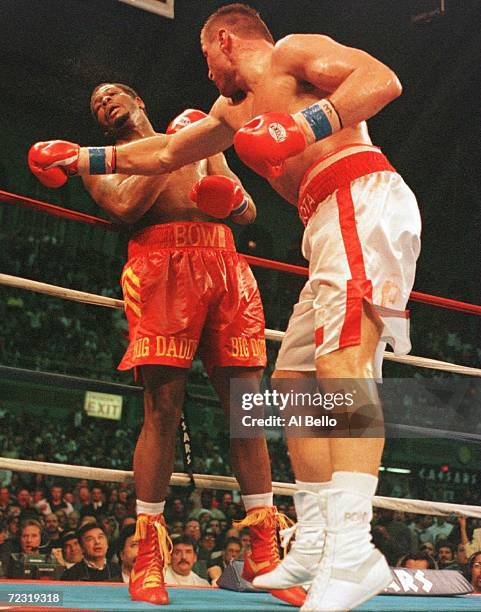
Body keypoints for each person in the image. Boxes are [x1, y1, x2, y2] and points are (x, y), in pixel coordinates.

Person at [28, 3, 422, 608]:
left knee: (344, 368)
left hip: (357, 193)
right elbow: (162, 156)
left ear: (226, 40)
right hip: (321, 221)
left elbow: (383, 80)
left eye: (205, 56)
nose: (205, 70)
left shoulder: (292, 53)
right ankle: (315, 539)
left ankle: (353, 548)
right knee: (291, 382)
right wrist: (82, 157)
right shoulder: (230, 112)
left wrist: (307, 124)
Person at [29, 82, 304, 607]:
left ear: (138, 99)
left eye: (110, 94)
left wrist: (227, 192)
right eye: (94, 105)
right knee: (161, 408)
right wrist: (173, 155)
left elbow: (246, 214)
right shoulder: (99, 163)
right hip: (161, 268)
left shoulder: (198, 133)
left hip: (226, 268)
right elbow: (126, 208)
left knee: (248, 412)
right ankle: (149, 558)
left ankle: (265, 555)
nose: (103, 103)